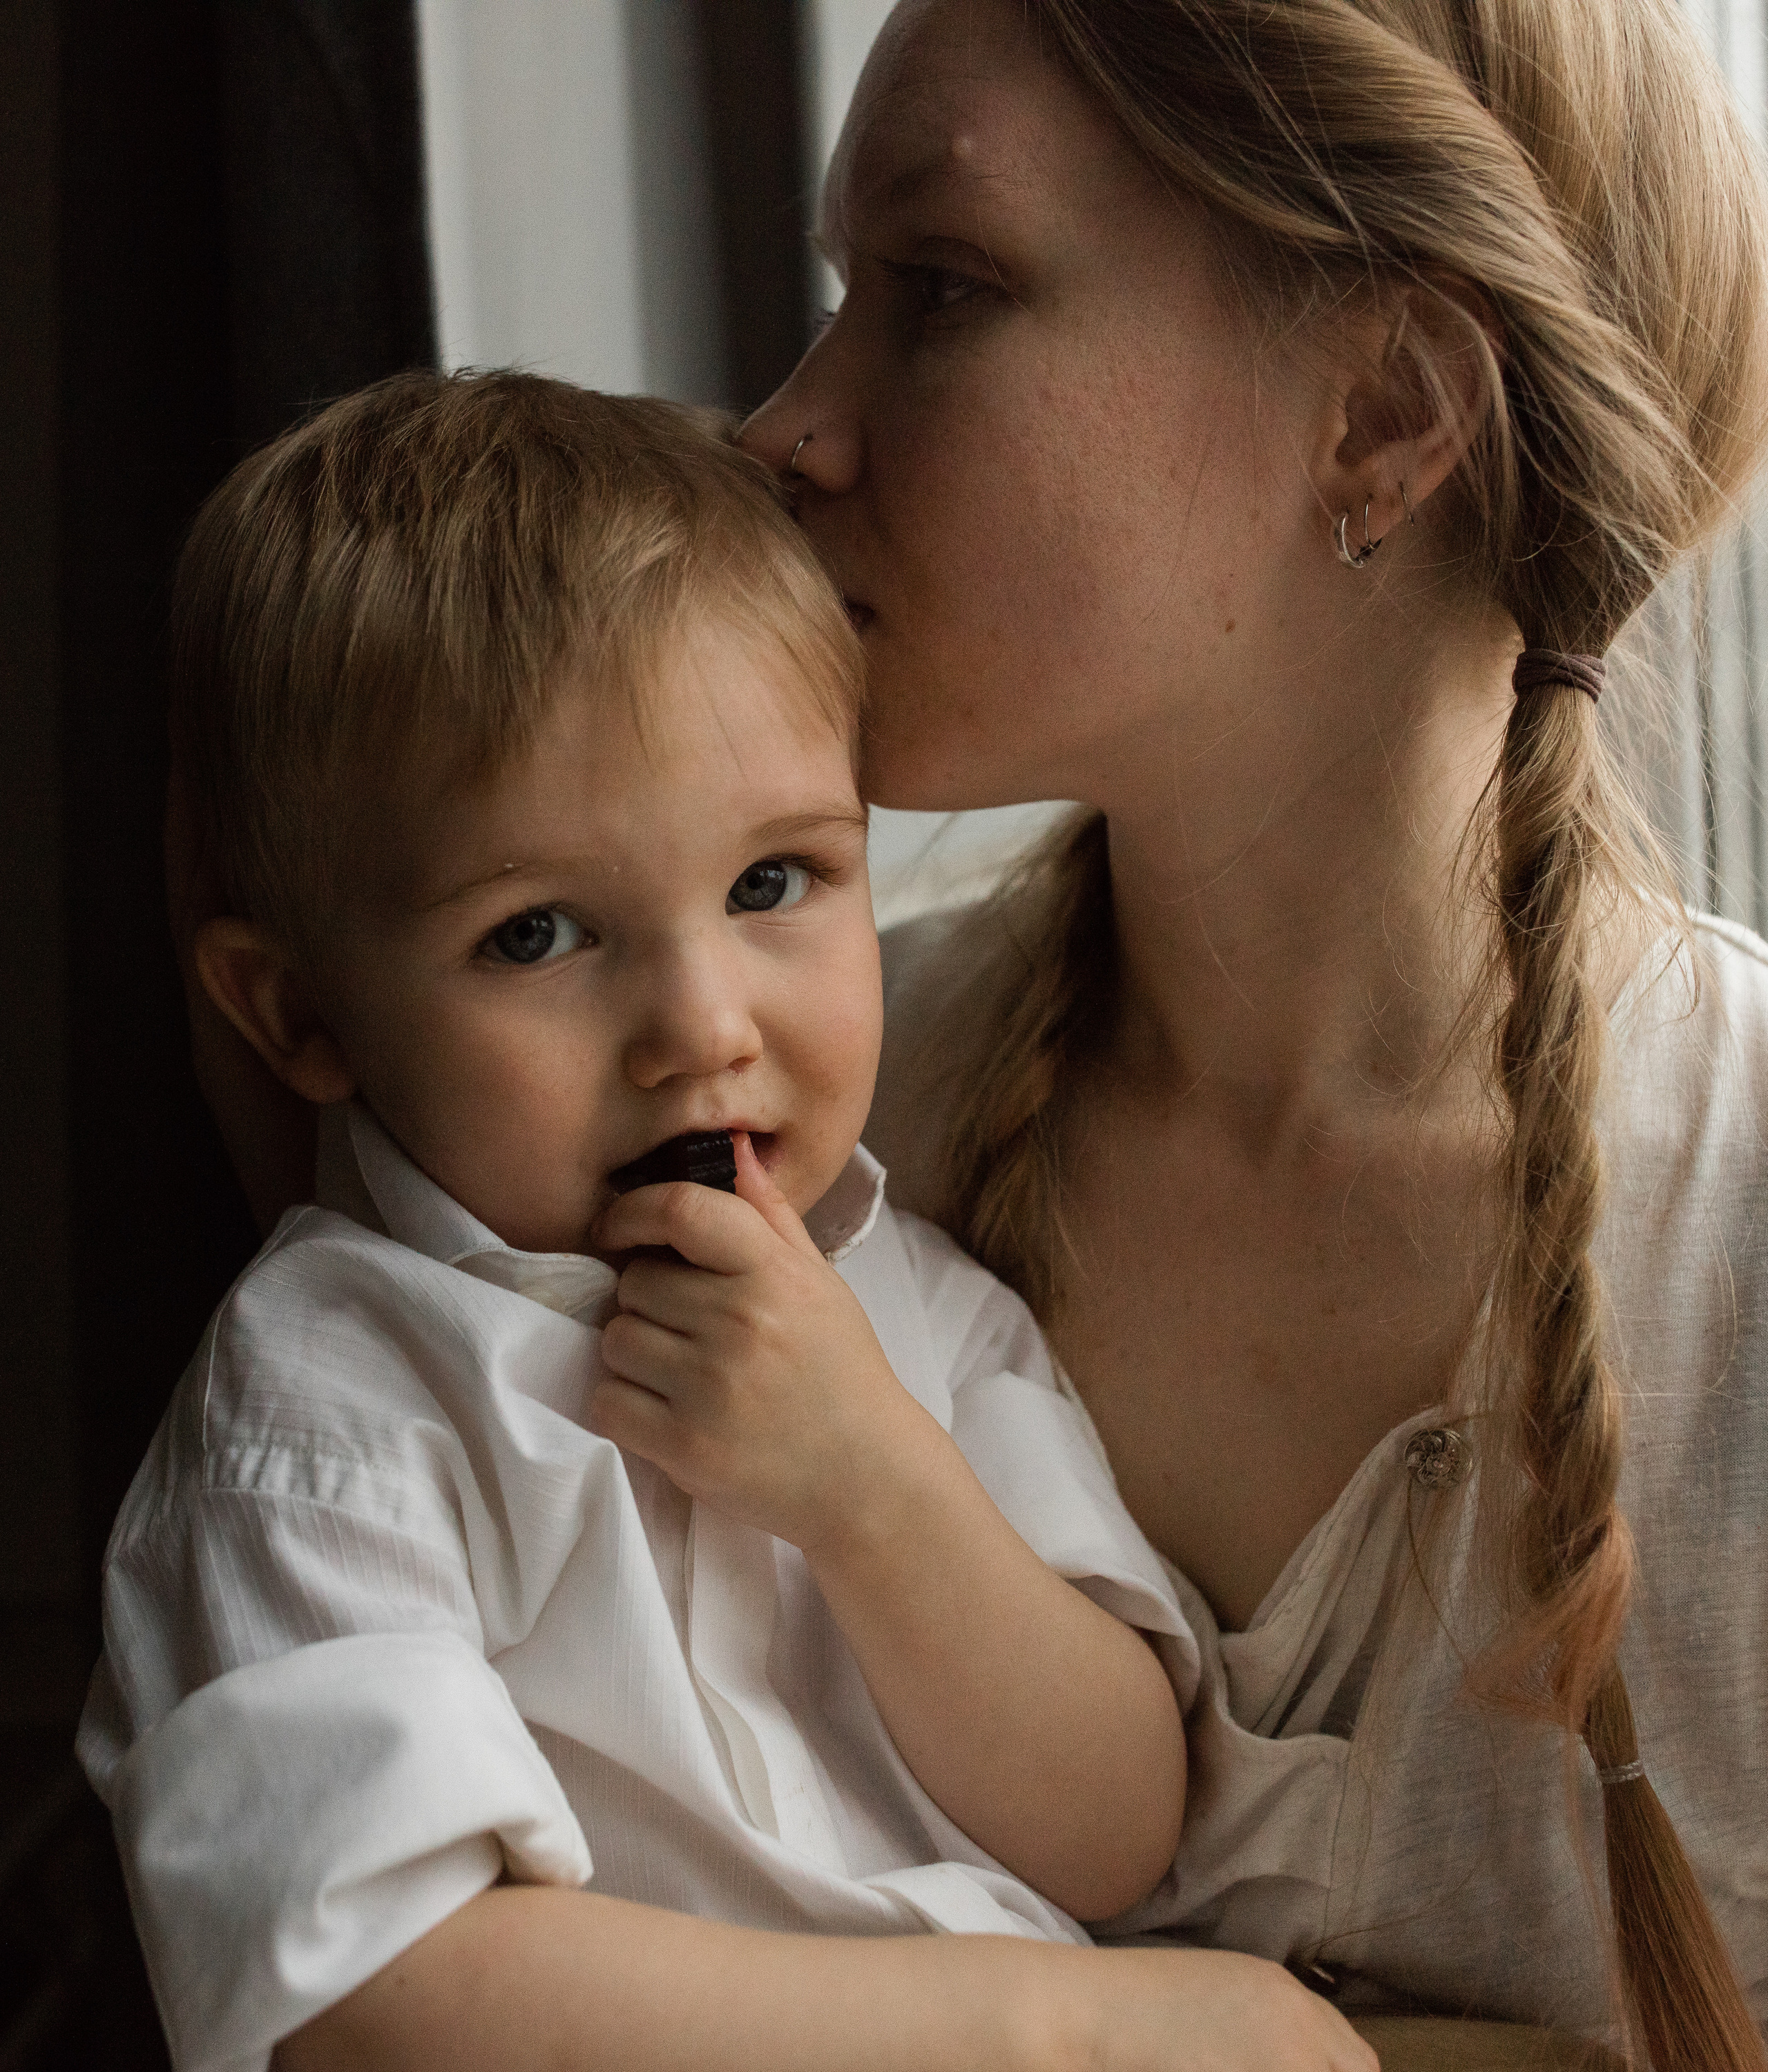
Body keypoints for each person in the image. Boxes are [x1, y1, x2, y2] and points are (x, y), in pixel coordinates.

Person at [165, 2, 1768, 2069]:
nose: (782, 429)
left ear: (1378, 418)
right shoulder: (759, 1130)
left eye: (937, 287)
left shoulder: (1730, 1226)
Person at [84, 370, 1370, 2072]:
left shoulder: (916, 1312)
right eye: (537, 934)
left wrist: (867, 1487)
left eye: (773, 884)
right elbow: (374, 1994)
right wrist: (1055, 2029)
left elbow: (1120, 1825)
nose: (702, 1025)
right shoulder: (329, 1412)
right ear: (297, 1016)